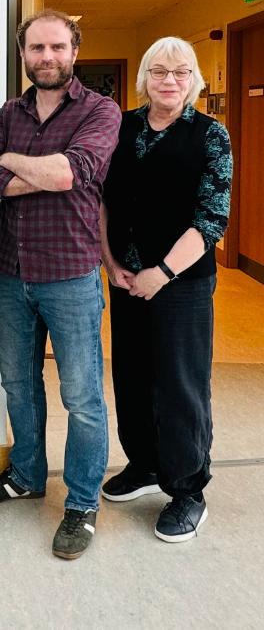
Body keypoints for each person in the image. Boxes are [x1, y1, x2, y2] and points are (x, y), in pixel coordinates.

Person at [0, 9, 120, 560]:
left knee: (81, 398)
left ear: (74, 51)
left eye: (57, 47)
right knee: (18, 384)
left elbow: (69, 173)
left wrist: (21, 165)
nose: (47, 57)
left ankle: (81, 505)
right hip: (10, 272)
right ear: (23, 55)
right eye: (36, 48)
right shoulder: (11, 111)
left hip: (72, 275)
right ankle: (27, 476)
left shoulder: (100, 110)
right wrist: (35, 168)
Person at [99, 37, 231, 543]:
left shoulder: (210, 136)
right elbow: (103, 200)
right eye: (158, 71)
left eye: (180, 72)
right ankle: (145, 464)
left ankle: (187, 489)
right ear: (143, 79)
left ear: (194, 78)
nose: (169, 80)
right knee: (131, 376)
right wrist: (111, 263)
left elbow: (211, 219)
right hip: (127, 280)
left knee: (180, 385)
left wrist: (164, 272)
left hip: (182, 285)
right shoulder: (122, 127)